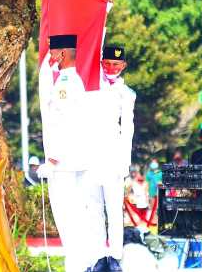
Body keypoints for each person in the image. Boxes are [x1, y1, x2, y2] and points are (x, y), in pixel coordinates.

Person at [37, 33, 92, 272]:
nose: (50, 56)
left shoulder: (67, 85)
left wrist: (53, 157)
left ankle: (76, 267)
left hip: (64, 163)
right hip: (72, 161)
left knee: (67, 219)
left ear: (61, 53)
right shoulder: (70, 81)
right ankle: (79, 265)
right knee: (74, 218)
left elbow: (63, 122)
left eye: (52, 52)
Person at [85, 44, 136, 272]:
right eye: (107, 63)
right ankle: (98, 256)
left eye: (116, 64)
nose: (111, 67)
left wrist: (124, 163)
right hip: (92, 156)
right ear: (101, 63)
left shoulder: (127, 94)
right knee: (94, 208)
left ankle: (115, 256)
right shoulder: (91, 87)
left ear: (123, 66)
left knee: (114, 209)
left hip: (113, 158)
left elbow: (128, 130)